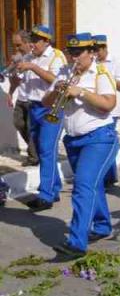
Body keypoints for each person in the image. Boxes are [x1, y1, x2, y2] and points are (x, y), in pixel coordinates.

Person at [42, 33, 119, 257]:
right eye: (70, 52)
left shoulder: (101, 73)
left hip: (99, 137)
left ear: (91, 53)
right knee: (92, 186)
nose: (73, 57)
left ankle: (76, 242)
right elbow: (46, 102)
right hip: (74, 139)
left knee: (83, 186)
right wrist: (57, 89)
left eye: (78, 53)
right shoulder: (64, 72)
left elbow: (108, 104)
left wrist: (81, 92)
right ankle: (103, 226)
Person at [16, 26, 67, 211]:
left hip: (51, 108)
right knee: (42, 150)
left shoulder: (57, 56)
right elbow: (25, 81)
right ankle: (54, 188)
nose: (32, 44)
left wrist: (33, 67)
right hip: (34, 107)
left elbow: (57, 80)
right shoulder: (29, 57)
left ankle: (45, 196)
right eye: (31, 39)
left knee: (46, 150)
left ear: (46, 41)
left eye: (36, 40)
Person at [94, 34, 120, 187]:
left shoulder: (116, 62)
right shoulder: (93, 62)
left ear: (105, 48)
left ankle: (108, 177)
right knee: (102, 142)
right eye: (93, 50)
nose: (96, 53)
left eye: (98, 50)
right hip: (96, 106)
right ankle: (110, 176)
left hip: (112, 108)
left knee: (107, 141)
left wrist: (105, 74)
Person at [7, 30, 39, 166]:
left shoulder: (34, 57)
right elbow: (16, 79)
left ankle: (33, 156)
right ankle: (36, 151)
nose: (17, 48)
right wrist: (10, 92)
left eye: (19, 45)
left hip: (33, 99)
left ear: (27, 43)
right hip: (21, 97)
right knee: (18, 123)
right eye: (15, 45)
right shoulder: (21, 58)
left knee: (31, 127)